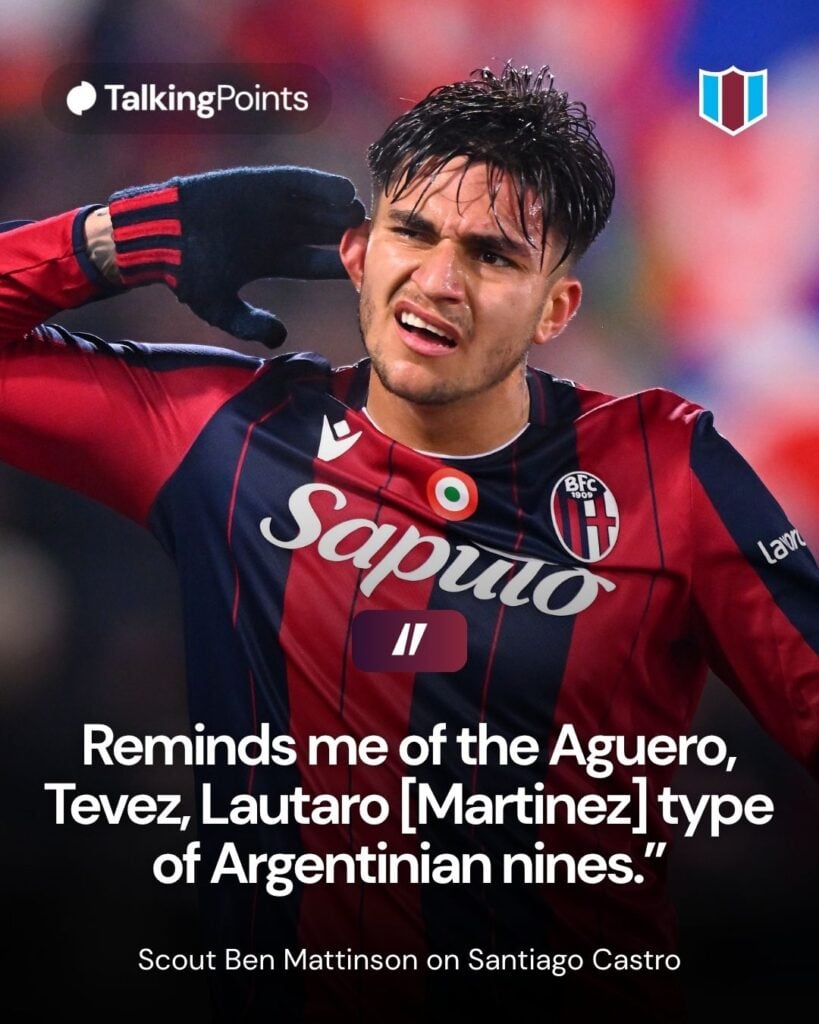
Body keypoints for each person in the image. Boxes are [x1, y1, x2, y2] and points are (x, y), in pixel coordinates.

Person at [1, 63, 816, 1023]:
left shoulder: (667, 469)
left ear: (555, 309)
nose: (438, 282)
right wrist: (119, 238)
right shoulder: (223, 433)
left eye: (493, 256)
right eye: (413, 233)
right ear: (357, 253)